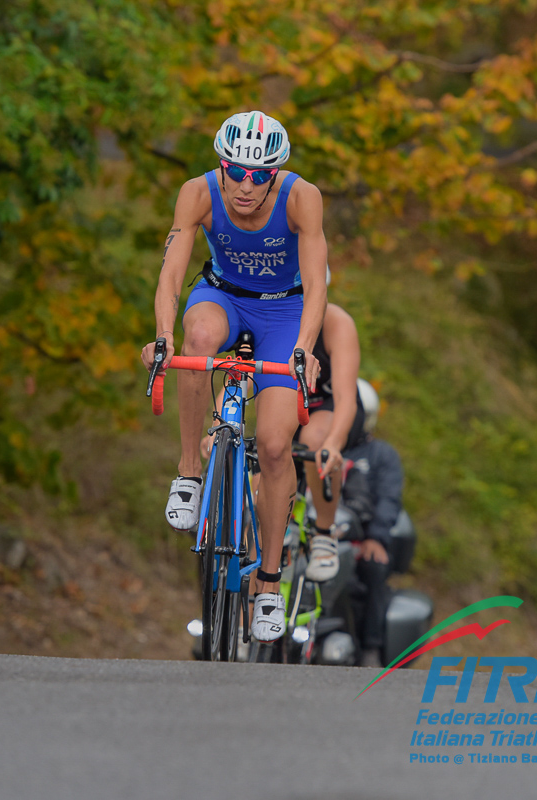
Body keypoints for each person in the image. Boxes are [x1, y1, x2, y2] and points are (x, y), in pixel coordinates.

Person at [141, 110, 328, 643]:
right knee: (198, 340)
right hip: (221, 296)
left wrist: (303, 349)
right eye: (235, 170)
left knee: (272, 447)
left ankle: (268, 584)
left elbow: (316, 283)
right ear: (220, 165)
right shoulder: (197, 192)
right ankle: (188, 472)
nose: (245, 185)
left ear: (275, 173)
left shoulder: (301, 197)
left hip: (282, 313)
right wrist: (162, 334)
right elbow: (172, 269)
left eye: (259, 174)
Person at [294, 301, 361, 582]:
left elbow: (346, 397)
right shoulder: (267, 311)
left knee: (315, 441)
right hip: (289, 407)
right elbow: (241, 373)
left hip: (330, 408)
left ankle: (324, 531)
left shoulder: (337, 323)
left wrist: (333, 442)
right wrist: (217, 426)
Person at [340, 379, 403, 668]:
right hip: (316, 536)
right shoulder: (313, 445)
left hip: (361, 541)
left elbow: (389, 500)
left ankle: (370, 648)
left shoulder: (382, 455)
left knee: (374, 568)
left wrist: (375, 537)